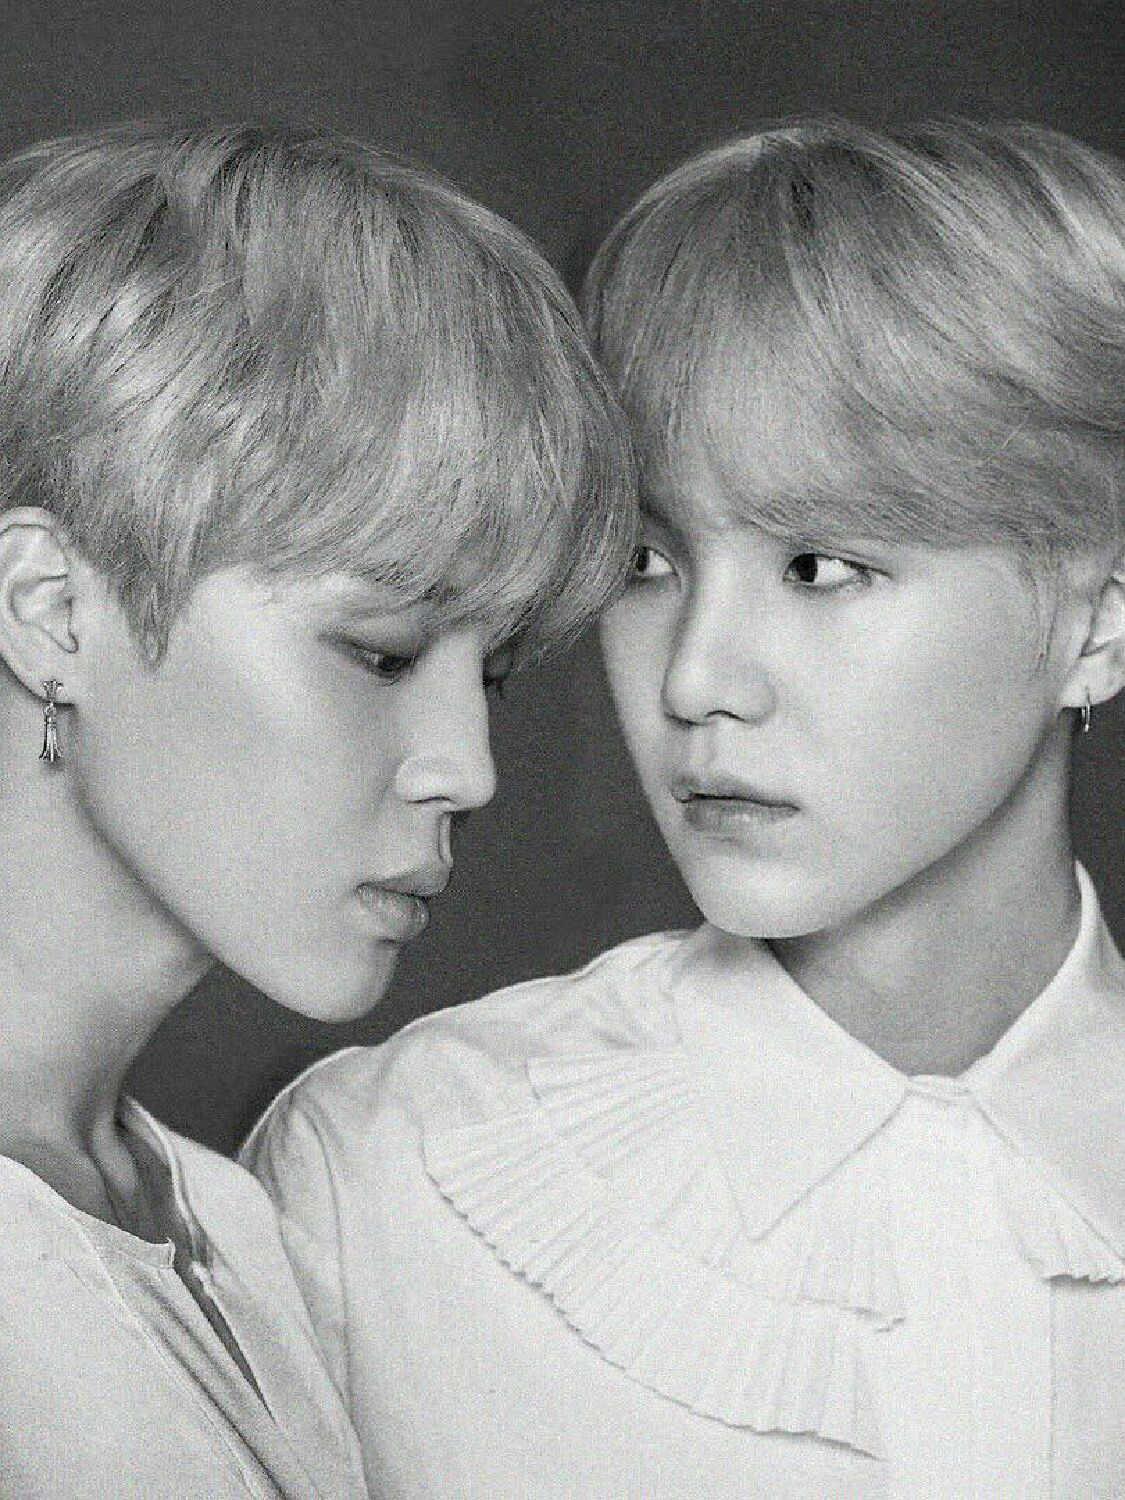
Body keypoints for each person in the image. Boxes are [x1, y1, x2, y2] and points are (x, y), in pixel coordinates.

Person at [246, 117, 1125, 1495]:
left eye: (820, 567)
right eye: (648, 563)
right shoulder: (388, 1174)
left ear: (1100, 620)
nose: (696, 681)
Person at [0, 120, 633, 1497]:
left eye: (491, 673)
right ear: (52, 610)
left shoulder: (234, 1221)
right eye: (382, 652)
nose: (467, 769)